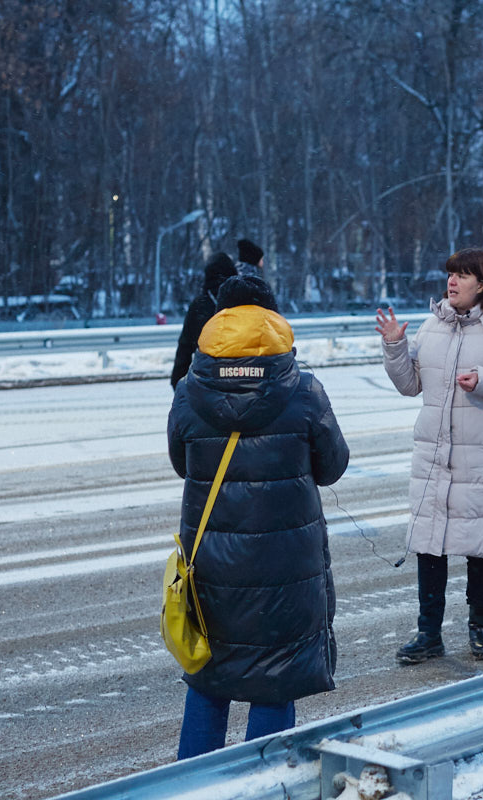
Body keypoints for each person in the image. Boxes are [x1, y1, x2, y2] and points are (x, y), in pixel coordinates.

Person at [167, 274, 349, 759]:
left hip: (213, 562)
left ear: (219, 320)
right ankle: (263, 784)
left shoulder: (189, 390)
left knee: (209, 677)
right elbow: (332, 467)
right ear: (273, 319)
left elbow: (183, 464)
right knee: (275, 679)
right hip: (284, 567)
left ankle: (191, 785)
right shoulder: (303, 389)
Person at [375, 248, 483, 663]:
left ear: (482, 284)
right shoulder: (434, 325)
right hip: (436, 455)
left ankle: (479, 626)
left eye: (462, 275)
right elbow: (410, 385)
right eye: (450, 274)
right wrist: (394, 347)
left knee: (480, 545)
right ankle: (428, 633)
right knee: (430, 545)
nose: (452, 282)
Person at [170, 253, 236, 389]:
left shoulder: (199, 306)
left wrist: (178, 381)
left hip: (206, 379)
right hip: (238, 377)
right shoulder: (241, 303)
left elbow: (185, 346)